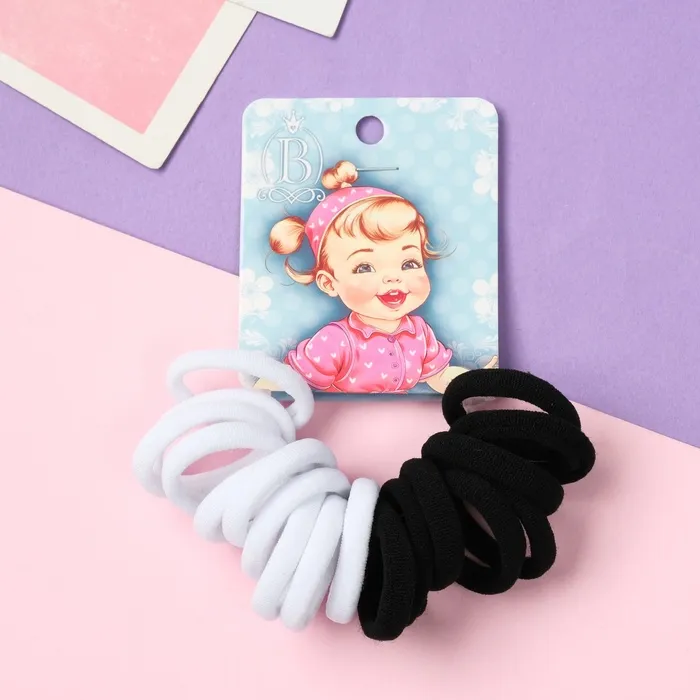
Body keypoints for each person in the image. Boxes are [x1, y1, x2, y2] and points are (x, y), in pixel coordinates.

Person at [260, 160, 497, 394]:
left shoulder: (420, 333)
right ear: (329, 283)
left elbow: (439, 377)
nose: (393, 277)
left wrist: (474, 383)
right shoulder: (334, 341)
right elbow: (287, 381)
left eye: (409, 263)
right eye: (365, 267)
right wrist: (258, 397)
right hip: (339, 416)